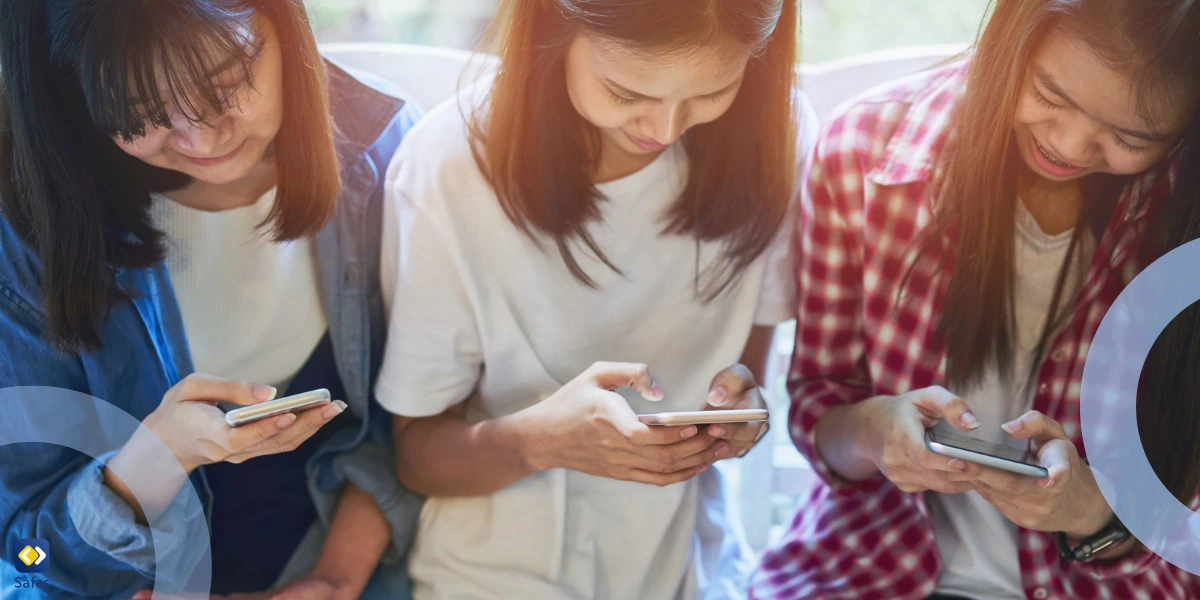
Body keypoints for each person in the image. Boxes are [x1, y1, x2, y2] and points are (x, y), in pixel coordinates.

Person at [752, 0, 1200, 599]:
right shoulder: (863, 150)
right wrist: (873, 431)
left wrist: (1091, 510)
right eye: (1050, 93)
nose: (1067, 145)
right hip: (865, 570)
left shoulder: (1182, 223)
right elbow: (819, 406)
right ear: (1012, 33)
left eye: (1128, 137)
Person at [373, 0, 817, 597]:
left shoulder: (774, 139)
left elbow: (744, 377)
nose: (664, 129)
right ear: (554, 28)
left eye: (713, 90)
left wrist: (737, 413)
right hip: (488, 575)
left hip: (690, 568)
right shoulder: (448, 169)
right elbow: (416, 456)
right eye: (626, 91)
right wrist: (541, 441)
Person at [0, 1, 422, 598]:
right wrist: (157, 458)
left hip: (344, 560)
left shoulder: (386, 146)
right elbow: (25, 555)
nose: (202, 136)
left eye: (227, 82)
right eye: (140, 113)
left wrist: (334, 577)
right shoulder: (26, 234)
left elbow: (418, 418)